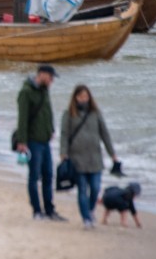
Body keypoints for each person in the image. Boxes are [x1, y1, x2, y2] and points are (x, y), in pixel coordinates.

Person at [60, 85, 118, 229]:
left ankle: (90, 210)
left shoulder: (96, 113)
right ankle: (86, 218)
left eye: (86, 96)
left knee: (95, 187)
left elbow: (105, 134)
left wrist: (113, 155)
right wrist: (63, 153)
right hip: (77, 159)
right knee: (82, 190)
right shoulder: (68, 114)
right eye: (80, 96)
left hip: (95, 158)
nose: (83, 99)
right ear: (75, 98)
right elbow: (64, 135)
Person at [15, 65, 65, 221]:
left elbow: (48, 112)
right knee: (34, 176)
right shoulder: (26, 92)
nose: (52, 81)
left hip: (45, 141)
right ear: (42, 75)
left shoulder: (44, 90)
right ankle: (37, 211)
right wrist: (22, 141)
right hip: (32, 142)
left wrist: (51, 129)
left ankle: (50, 210)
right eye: (50, 77)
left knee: (49, 176)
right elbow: (22, 119)